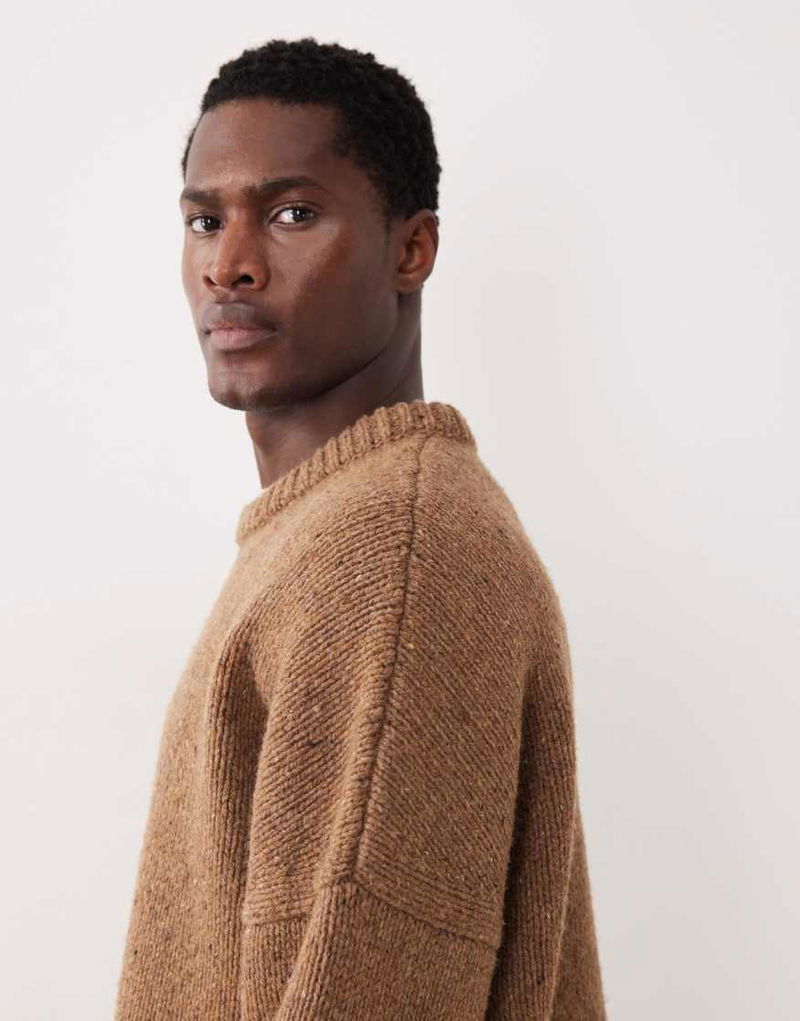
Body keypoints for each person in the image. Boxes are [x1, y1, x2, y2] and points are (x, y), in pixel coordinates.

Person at [114, 36, 606, 1020]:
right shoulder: (331, 531)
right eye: (205, 220)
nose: (230, 266)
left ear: (411, 250)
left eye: (292, 213)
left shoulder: (392, 553)